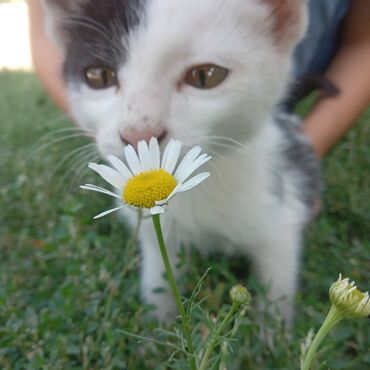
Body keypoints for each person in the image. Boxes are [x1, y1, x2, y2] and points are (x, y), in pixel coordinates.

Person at [27, 0, 370, 158]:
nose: (139, 134)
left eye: (203, 77)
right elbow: (47, 43)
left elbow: (363, 44)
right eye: (101, 77)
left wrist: (306, 151)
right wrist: (99, 129)